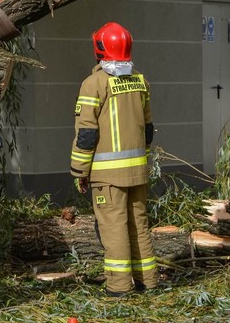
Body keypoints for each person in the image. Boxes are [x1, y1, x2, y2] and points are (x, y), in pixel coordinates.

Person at [70, 21, 157, 297]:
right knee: (139, 226)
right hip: (137, 172)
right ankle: (149, 282)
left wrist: (79, 171)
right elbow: (149, 130)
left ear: (99, 49)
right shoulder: (140, 80)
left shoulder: (93, 84)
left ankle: (119, 287)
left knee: (114, 229)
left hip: (107, 177)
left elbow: (86, 134)